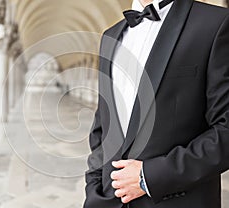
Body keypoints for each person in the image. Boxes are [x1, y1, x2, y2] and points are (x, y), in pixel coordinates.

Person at [83, 0, 229, 207]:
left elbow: (225, 130)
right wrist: (94, 187)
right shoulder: (110, 36)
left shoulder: (215, 24)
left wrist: (148, 177)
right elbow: (102, 128)